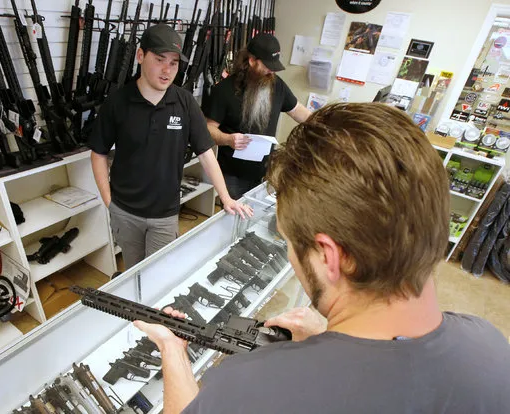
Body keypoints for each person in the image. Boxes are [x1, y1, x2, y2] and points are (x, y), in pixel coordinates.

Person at [135, 103, 510, 413]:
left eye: (290, 242)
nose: (290, 256)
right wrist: (329, 339)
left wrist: (172, 349)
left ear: (330, 258)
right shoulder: (491, 348)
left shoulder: (249, 387)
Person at [89, 24, 253, 270]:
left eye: (174, 63)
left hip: (164, 214)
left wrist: (226, 197)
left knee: (159, 272)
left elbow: (206, 153)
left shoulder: (184, 102)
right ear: (140, 56)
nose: (167, 70)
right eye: (159, 60)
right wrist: (109, 201)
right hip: (124, 210)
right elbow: (98, 153)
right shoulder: (117, 102)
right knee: (133, 270)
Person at [203, 33, 311, 200]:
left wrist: (324, 124)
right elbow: (208, 129)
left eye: (274, 66)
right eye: (268, 66)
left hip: (265, 172)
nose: (272, 71)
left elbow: (298, 111)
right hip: (232, 174)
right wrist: (228, 139)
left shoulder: (276, 85)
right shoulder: (224, 90)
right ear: (252, 61)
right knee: (236, 217)